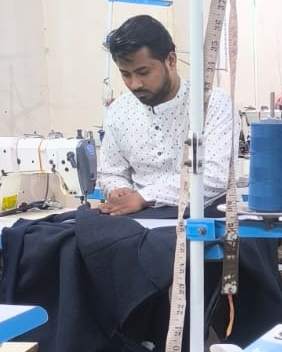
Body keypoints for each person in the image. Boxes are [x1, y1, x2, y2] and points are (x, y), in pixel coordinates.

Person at [98, 15, 234, 214]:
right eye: (125, 74)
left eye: (143, 72)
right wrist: (117, 188)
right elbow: (111, 171)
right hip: (138, 216)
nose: (134, 84)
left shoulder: (212, 103)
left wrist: (144, 197)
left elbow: (215, 177)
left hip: (202, 215)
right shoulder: (119, 110)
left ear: (170, 60)